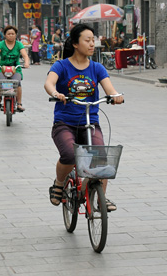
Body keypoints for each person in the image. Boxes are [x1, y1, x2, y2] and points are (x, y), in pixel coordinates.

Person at [44, 24, 124, 210]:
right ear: (75, 43)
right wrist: (56, 93)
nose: (91, 44)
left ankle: (101, 198)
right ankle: (59, 183)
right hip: (65, 122)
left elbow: (110, 90)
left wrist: (116, 96)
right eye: (87, 40)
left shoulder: (97, 68)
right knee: (70, 154)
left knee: (101, 159)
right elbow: (49, 83)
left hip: (90, 122)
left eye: (92, 40)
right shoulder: (61, 65)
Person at [0, 26, 30, 111]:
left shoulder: (19, 44)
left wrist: (26, 63)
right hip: (2, 68)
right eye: (9, 34)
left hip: (16, 68)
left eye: (13, 34)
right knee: (2, 82)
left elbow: (25, 55)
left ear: (16, 35)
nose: (11, 35)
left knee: (18, 83)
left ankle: (19, 103)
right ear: (5, 35)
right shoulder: (1, 44)